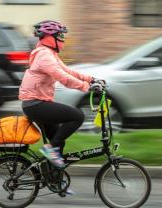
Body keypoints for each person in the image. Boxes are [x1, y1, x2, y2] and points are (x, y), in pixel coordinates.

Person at [19, 20, 102, 168]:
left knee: (59, 141)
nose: (62, 39)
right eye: (60, 36)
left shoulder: (49, 53)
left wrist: (91, 79)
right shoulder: (44, 56)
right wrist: (87, 87)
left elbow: (68, 71)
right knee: (77, 116)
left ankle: (53, 177)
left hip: (38, 103)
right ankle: (49, 151)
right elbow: (62, 77)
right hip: (36, 104)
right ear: (50, 38)